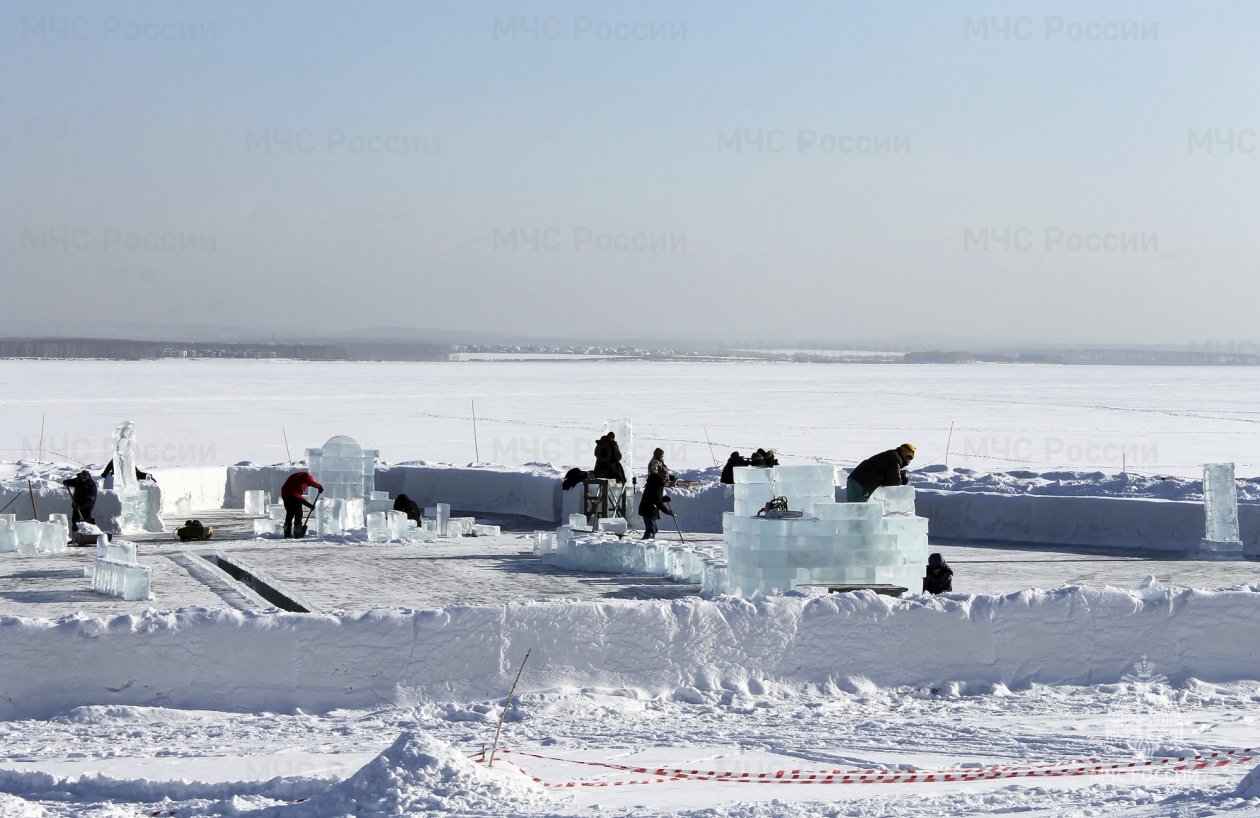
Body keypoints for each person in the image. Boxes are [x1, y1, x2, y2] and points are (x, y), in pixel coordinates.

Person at [846, 443, 915, 502]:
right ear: (903, 453)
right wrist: (902, 480)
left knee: (856, 509)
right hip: (860, 483)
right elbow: (894, 482)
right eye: (908, 456)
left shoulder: (892, 455)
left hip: (857, 480)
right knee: (857, 510)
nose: (909, 460)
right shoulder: (894, 458)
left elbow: (887, 476)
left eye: (910, 458)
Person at [280, 469, 323, 538]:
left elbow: (297, 495)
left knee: (290, 513)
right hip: (291, 494)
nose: (306, 487)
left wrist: (309, 505)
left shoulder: (296, 478)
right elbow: (298, 496)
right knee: (298, 513)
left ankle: (287, 533)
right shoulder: (306, 476)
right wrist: (319, 487)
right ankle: (297, 533)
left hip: (284, 494)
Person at [637, 470, 673, 540]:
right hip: (647, 509)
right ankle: (646, 544)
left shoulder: (658, 483)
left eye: (666, 477)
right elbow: (657, 501)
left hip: (651, 510)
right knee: (651, 530)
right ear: (659, 476)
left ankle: (648, 543)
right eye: (664, 477)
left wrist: (663, 498)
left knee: (654, 529)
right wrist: (668, 512)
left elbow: (655, 497)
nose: (666, 479)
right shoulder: (656, 484)